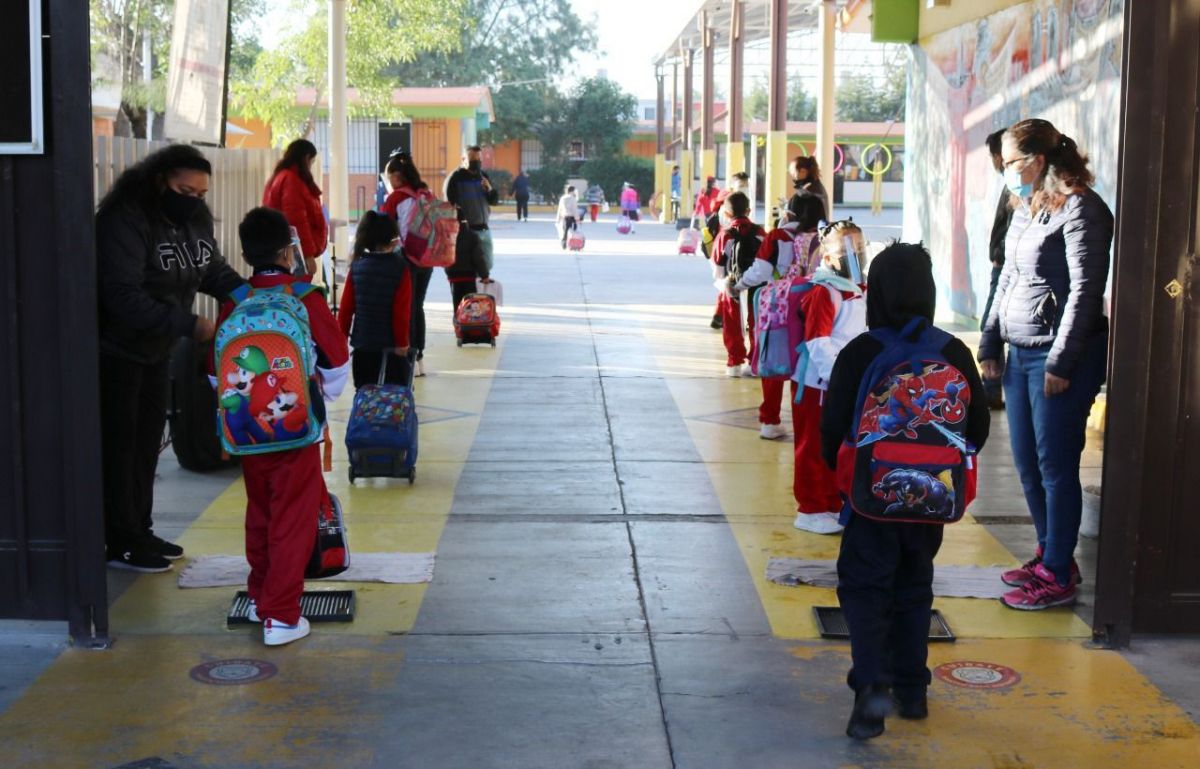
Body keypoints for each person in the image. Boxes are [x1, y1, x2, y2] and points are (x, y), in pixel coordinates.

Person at [821, 242, 989, 739]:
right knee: (915, 587)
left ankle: (871, 687)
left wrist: (849, 483)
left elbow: (832, 431)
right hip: (933, 499)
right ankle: (913, 691)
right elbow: (976, 429)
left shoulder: (863, 351)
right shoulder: (953, 350)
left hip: (872, 499)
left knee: (864, 588)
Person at [978, 118, 1112, 611]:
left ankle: (1058, 573)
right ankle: (1051, 554)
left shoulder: (1083, 210)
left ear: (1036, 160)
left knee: (1056, 467)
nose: (1007, 173)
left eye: (1010, 163)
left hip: (1060, 358)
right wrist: (990, 342)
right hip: (1021, 353)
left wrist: (1062, 361)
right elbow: (1007, 278)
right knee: (1027, 465)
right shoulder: (1025, 206)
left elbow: (1084, 293)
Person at [95, 144, 246, 572]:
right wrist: (187, 324)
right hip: (116, 351)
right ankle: (118, 540)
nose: (194, 200)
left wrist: (248, 295)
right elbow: (121, 296)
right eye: (185, 190)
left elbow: (210, 268)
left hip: (156, 351)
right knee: (119, 449)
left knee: (145, 447)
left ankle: (139, 529)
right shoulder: (123, 220)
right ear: (160, 181)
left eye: (200, 194)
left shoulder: (193, 219)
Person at [217, 207, 349, 646]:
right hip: (296, 430)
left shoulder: (235, 301)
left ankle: (260, 596)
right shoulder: (305, 297)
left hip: (250, 434)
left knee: (261, 511)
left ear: (247, 253)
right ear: (286, 249)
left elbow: (216, 374)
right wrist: (319, 401)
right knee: (293, 518)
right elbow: (336, 363)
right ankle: (282, 616)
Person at [784, 221, 868, 535]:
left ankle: (832, 503)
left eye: (860, 248)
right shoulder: (825, 289)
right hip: (816, 385)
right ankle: (810, 507)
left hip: (842, 385)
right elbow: (817, 341)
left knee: (835, 446)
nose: (855, 255)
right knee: (813, 446)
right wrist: (838, 378)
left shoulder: (858, 288)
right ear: (829, 255)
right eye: (847, 249)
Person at [733, 194, 827, 441]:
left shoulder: (779, 236)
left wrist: (740, 285)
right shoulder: (826, 238)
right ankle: (810, 425)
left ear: (792, 212)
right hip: (818, 301)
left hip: (780, 303)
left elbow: (762, 271)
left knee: (774, 359)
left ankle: (770, 421)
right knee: (810, 361)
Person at [338, 211, 414, 388]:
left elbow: (346, 309)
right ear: (392, 239)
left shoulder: (357, 266)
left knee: (365, 397)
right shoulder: (400, 268)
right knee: (392, 399)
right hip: (391, 348)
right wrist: (402, 343)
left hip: (363, 346)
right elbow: (401, 311)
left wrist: (341, 340)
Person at [380, 153, 432, 376]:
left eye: (390, 177)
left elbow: (383, 228)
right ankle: (419, 357)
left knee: (405, 308)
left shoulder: (395, 199)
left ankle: (407, 357)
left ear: (397, 177)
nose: (389, 182)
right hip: (427, 259)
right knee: (418, 306)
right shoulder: (426, 194)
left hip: (404, 259)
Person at [711, 191, 765, 378]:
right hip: (758, 284)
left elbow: (717, 265)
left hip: (731, 284)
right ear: (749, 211)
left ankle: (734, 363)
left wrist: (724, 283)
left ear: (726, 214)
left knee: (733, 323)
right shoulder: (759, 232)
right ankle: (755, 363)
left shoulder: (725, 234)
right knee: (757, 322)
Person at [262, 139, 327, 276]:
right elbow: (297, 221)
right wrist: (307, 255)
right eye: (311, 162)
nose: (310, 166)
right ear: (306, 158)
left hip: (280, 250)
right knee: (296, 292)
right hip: (292, 253)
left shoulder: (279, 176)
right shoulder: (292, 180)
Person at [981, 129, 1013, 410]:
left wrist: (1000, 256)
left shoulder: (1018, 186)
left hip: (1005, 268)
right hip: (1000, 266)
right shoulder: (1011, 183)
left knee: (992, 326)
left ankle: (992, 388)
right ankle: (992, 389)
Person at [444, 145, 500, 270]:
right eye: (472, 159)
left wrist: (489, 188)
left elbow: (494, 201)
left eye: (479, 158)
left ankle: (482, 287)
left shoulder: (483, 176)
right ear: (463, 159)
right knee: (470, 267)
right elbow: (450, 205)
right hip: (467, 231)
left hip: (485, 230)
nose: (476, 162)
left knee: (487, 265)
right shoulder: (455, 179)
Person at [446, 225, 491, 310]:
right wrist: (484, 275)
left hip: (454, 276)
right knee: (471, 305)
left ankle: (459, 320)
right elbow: (478, 257)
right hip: (469, 276)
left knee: (458, 305)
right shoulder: (472, 235)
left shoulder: (448, 235)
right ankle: (470, 322)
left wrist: (448, 269)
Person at [790, 155, 830, 224]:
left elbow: (795, 215)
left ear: (803, 171)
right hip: (817, 228)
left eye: (793, 170)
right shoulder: (814, 185)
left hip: (808, 230)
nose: (791, 173)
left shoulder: (807, 190)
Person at [556, 185, 580, 250]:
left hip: (564, 217)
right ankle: (572, 244)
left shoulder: (562, 198)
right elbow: (574, 209)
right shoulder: (573, 198)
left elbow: (560, 209)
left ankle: (564, 244)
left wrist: (558, 219)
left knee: (565, 231)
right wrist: (577, 218)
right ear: (572, 191)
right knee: (573, 231)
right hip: (572, 217)